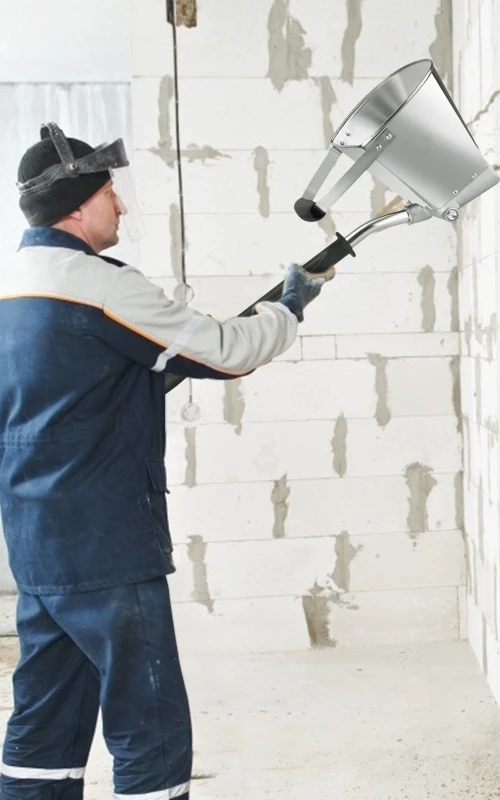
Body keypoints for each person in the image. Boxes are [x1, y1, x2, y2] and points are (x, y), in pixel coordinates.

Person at [0, 123, 333, 800]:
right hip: (108, 545)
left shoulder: (12, 285)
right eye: (108, 192)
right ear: (76, 205)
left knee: (44, 725)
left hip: (37, 548)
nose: (119, 205)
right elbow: (226, 351)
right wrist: (289, 304)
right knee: (147, 725)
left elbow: (69, 391)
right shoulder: (98, 285)